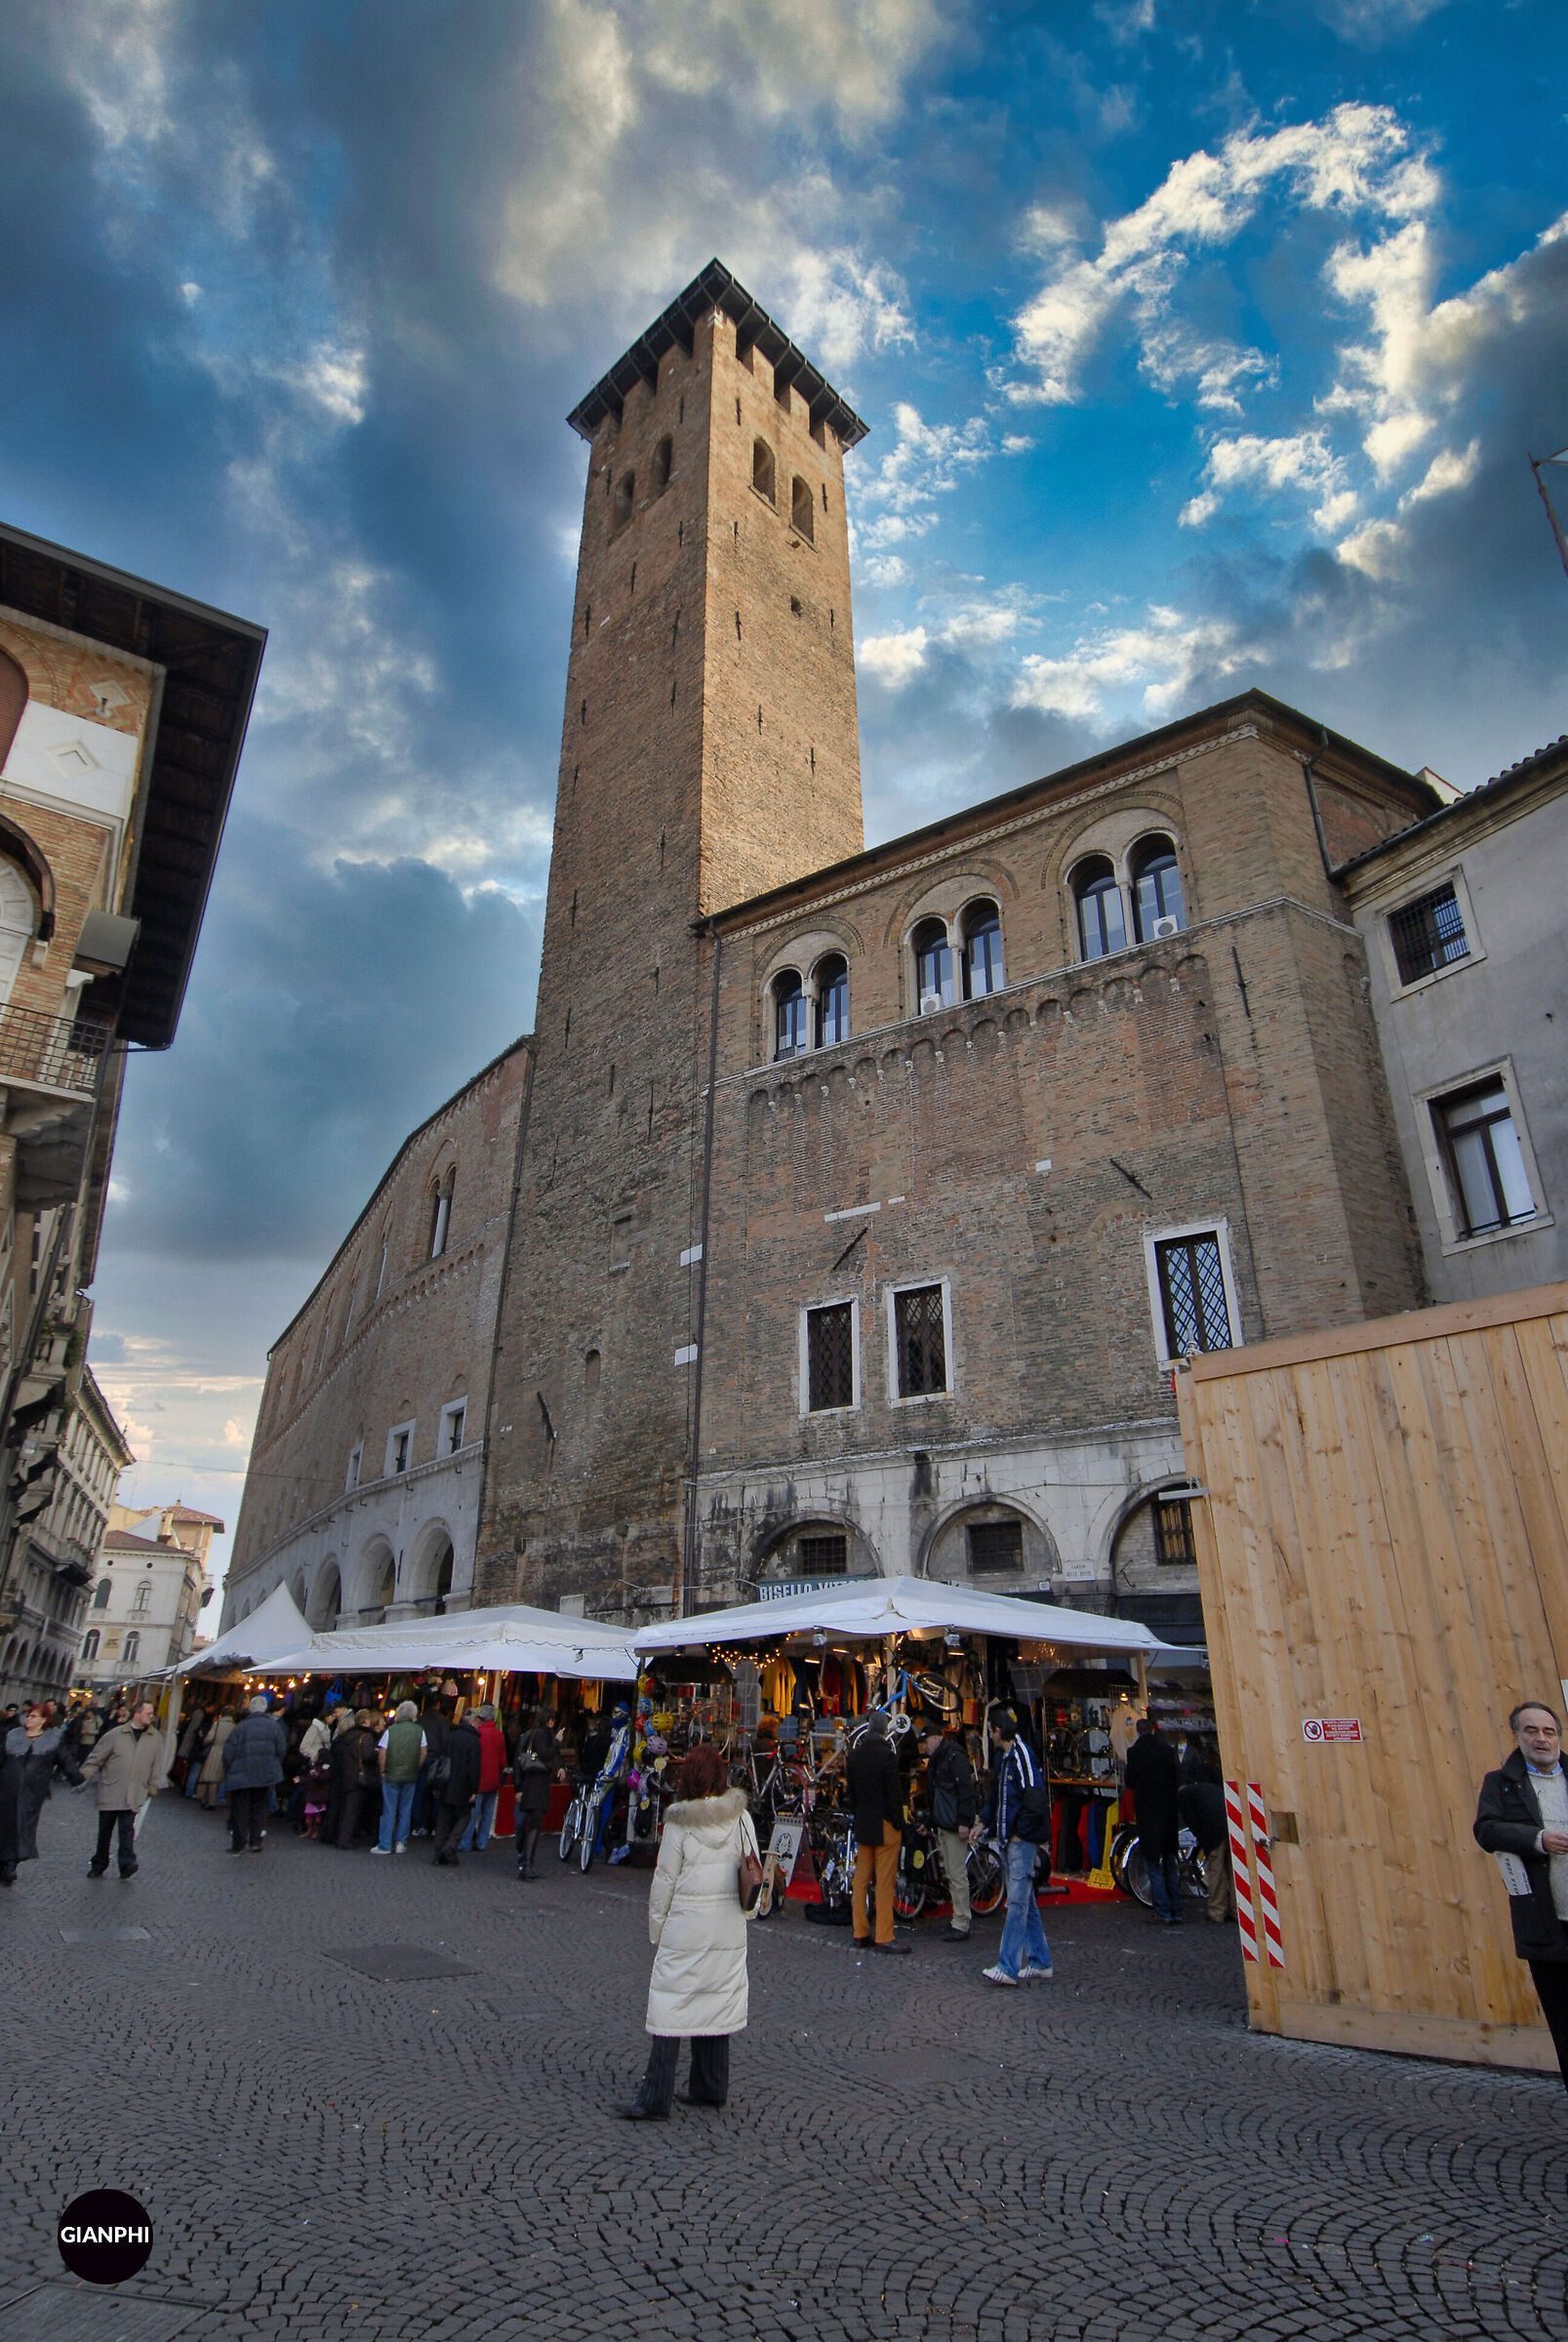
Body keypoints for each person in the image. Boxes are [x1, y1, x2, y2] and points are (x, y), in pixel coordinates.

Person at [615, 1743, 760, 2120]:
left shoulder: (680, 1823)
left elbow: (664, 1881)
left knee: (670, 2007)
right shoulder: (741, 1819)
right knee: (716, 1999)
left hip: (686, 1926)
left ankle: (655, 2097)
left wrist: (657, 1930)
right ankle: (710, 2087)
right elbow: (754, 1868)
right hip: (726, 1925)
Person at [1474, 1699, 1568, 2090]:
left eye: (1549, 1731)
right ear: (1517, 1736)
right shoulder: (1502, 1783)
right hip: (1547, 1924)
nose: (1541, 1739)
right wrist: (1538, 1839)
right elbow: (1487, 1830)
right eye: (1531, 1731)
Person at [980, 1705, 1054, 1987]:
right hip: (1012, 1837)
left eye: (990, 1729)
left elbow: (1033, 1796)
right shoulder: (1006, 1757)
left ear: (998, 1731)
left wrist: (1021, 1834)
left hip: (1019, 1841)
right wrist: (984, 1823)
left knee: (1017, 1903)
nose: (988, 1733)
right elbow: (998, 1796)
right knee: (1025, 1903)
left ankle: (1008, 1965)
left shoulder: (1019, 1756)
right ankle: (1040, 1960)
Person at [0, 1702, 85, 1884]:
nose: (28, 1718)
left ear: (44, 1720)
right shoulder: (13, 1736)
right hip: (7, 1789)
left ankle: (10, 1864)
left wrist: (77, 1779)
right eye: (29, 1715)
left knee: (22, 1827)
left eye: (34, 1716)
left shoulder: (52, 1740)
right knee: (5, 1824)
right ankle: (5, 1861)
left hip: (32, 1793)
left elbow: (66, 1760)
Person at [845, 1712, 908, 1955]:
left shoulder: (855, 1756)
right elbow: (894, 1794)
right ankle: (884, 1934)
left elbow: (851, 1792)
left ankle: (859, 1931)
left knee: (860, 1880)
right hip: (884, 1823)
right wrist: (898, 1821)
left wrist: (858, 1813)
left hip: (864, 1821)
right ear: (885, 1731)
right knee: (884, 1882)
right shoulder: (887, 1757)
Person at [80, 1698, 163, 1878]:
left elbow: (156, 1765)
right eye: (148, 1713)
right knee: (105, 1831)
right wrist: (82, 1777)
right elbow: (97, 1757)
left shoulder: (155, 1738)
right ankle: (99, 1863)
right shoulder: (115, 1734)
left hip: (135, 1791)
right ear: (137, 1713)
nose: (151, 1716)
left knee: (127, 1829)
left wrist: (152, 1785)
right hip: (112, 1789)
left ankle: (126, 1863)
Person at [920, 1719, 980, 1942]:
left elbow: (965, 1790)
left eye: (926, 1742)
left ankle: (962, 1922)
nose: (924, 1747)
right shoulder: (946, 1757)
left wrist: (964, 1822)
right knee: (953, 1874)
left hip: (953, 1824)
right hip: (947, 1823)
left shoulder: (952, 1757)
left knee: (956, 1874)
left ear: (936, 1738)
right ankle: (958, 1919)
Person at [1125, 1715, 1184, 1927]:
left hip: (1148, 1813)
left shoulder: (1135, 1752)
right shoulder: (1167, 1750)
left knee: (1152, 1863)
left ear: (1138, 1732)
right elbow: (1177, 1777)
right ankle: (1176, 1908)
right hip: (1168, 1812)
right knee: (1169, 1861)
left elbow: (1130, 1780)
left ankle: (1163, 1910)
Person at [220, 1694, 288, 1855]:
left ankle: (238, 1844)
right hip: (265, 1774)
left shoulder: (241, 1728)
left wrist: (231, 1770)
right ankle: (256, 1841)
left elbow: (228, 1753)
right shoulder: (275, 1728)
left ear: (250, 1709)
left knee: (240, 1810)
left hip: (242, 1774)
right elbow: (281, 1750)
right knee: (259, 1809)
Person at [1179, 1741, 1234, 1924]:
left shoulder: (1185, 1798)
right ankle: (1236, 1909)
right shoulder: (1203, 1789)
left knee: (1216, 1869)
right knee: (1232, 1869)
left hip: (1215, 1828)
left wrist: (1203, 1840)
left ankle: (1216, 1911)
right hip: (1229, 1821)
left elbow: (1194, 1823)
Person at [513, 1706, 562, 1879]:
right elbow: (546, 1754)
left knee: (531, 1823)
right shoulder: (542, 1734)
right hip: (536, 1786)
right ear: (549, 1720)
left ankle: (526, 1862)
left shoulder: (533, 1734)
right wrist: (557, 1742)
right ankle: (527, 1864)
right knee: (534, 1824)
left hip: (533, 1784)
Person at [431, 1704, 483, 1866]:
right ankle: (450, 1846)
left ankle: (439, 1850)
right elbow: (474, 1768)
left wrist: (437, 1785)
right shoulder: (474, 1742)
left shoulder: (450, 1737)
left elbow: (441, 1761)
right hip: (463, 1787)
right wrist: (474, 1789)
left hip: (446, 1783)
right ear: (473, 1722)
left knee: (444, 1818)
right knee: (463, 1817)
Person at [374, 1700, 426, 1854]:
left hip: (391, 1774)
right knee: (405, 1808)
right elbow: (423, 1752)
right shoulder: (420, 1731)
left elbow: (382, 1752)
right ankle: (401, 1842)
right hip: (410, 1774)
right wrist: (416, 1767)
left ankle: (385, 1844)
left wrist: (382, 1770)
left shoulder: (391, 1730)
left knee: (389, 1809)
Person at [328, 1710, 381, 1850]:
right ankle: (344, 1840)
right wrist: (377, 1754)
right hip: (358, 1777)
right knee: (352, 1810)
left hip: (346, 1775)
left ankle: (341, 1837)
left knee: (346, 1809)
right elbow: (367, 1756)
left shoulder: (348, 1735)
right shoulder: (366, 1737)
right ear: (366, 1721)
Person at [459, 1703, 507, 1852]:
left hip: (479, 1779)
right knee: (487, 1813)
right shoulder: (499, 1735)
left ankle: (465, 1843)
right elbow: (503, 1761)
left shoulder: (478, 1734)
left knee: (473, 1814)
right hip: (493, 1779)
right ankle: (482, 1842)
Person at [196, 1711, 235, 1808]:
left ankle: (208, 1800)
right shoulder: (234, 1726)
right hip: (228, 1753)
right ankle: (217, 1798)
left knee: (210, 1777)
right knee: (220, 1778)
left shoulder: (217, 1724)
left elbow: (209, 1738)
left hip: (215, 1751)